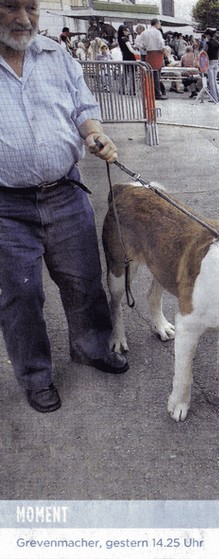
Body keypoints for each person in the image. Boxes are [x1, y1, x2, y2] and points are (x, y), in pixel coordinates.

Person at [0, 0, 128, 414]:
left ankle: (91, 347)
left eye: (31, 7)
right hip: (6, 205)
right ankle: (36, 376)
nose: (24, 19)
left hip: (65, 191)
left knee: (84, 279)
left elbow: (84, 108)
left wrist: (94, 134)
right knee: (20, 295)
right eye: (10, 6)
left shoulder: (57, 55)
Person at [134, 18, 166, 100]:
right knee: (157, 74)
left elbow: (137, 42)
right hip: (158, 53)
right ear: (156, 23)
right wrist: (163, 50)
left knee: (151, 73)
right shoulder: (157, 32)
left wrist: (143, 47)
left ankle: (153, 92)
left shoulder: (145, 32)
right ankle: (157, 93)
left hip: (149, 53)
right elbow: (161, 42)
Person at [202, 28, 219, 103]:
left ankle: (213, 98)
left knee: (211, 81)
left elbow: (204, 52)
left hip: (210, 62)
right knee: (214, 80)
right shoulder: (217, 43)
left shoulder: (208, 43)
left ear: (208, 35)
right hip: (216, 61)